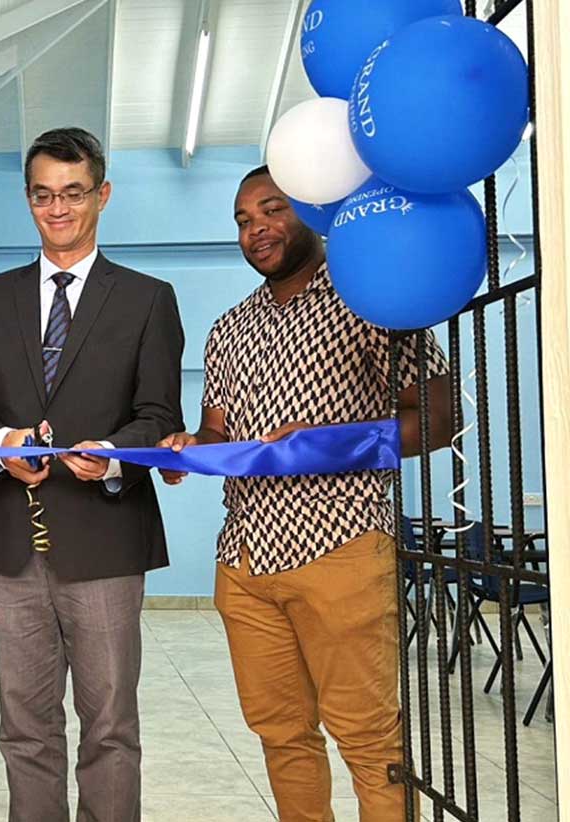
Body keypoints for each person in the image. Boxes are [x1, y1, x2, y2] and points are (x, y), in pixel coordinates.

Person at [158, 165, 452, 822]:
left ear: (312, 214)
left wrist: (337, 441)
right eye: (242, 219)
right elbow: (218, 433)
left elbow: (438, 414)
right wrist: (188, 453)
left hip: (341, 548)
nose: (256, 229)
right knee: (281, 736)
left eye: (271, 209)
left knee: (370, 741)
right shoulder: (229, 330)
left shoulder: (372, 300)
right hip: (246, 562)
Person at [0, 127, 184, 822]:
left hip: (106, 540)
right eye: (44, 195)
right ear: (28, 199)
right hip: (8, 542)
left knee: (109, 726)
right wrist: (1, 442)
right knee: (25, 727)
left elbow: (158, 413)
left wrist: (111, 452)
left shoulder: (146, 299)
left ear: (102, 195)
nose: (59, 209)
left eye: (74, 194)